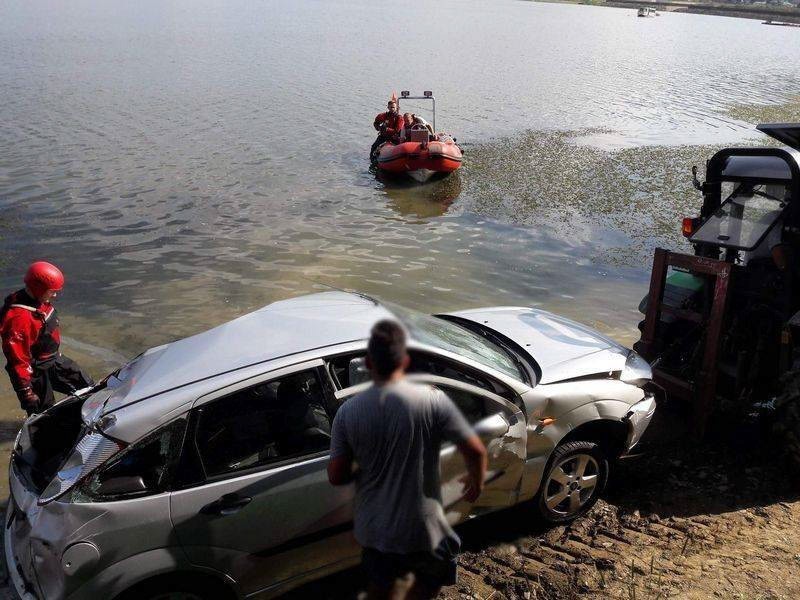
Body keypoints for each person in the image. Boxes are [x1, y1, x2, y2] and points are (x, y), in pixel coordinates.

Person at [328, 320, 487, 600]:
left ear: (368, 362)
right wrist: (475, 482)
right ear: (405, 360)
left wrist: (364, 464)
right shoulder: (433, 400)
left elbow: (336, 476)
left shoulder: (347, 413)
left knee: (380, 585)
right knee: (429, 582)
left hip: (375, 529)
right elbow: (475, 451)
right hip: (422, 527)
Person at [1, 261, 93, 415]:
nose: (55, 295)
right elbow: (18, 360)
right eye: (52, 291)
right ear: (39, 289)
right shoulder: (19, 319)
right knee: (44, 412)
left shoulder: (38, 299)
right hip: (35, 372)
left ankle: (84, 421)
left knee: (87, 387)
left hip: (53, 360)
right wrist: (26, 391)